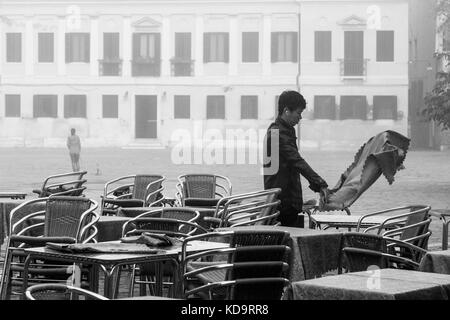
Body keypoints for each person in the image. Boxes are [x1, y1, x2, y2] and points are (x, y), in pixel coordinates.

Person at [263, 90, 329, 227]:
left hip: (284, 200)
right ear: (287, 111)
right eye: (298, 113)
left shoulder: (282, 130)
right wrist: (320, 184)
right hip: (282, 203)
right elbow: (297, 161)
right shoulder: (278, 134)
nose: (300, 117)